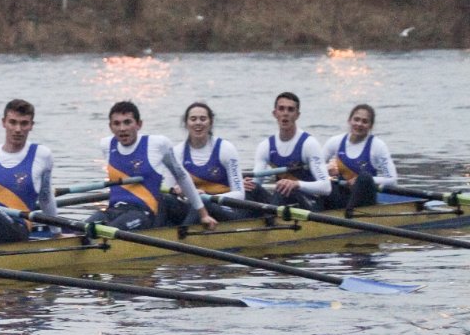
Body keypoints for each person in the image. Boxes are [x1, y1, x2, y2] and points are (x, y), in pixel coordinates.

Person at [87, 101, 217, 232]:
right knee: (78, 229)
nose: (122, 128)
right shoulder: (106, 145)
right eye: (117, 123)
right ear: (110, 127)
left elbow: (182, 177)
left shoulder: (157, 144)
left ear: (139, 124)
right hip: (113, 210)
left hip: (143, 214)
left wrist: (203, 214)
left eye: (127, 122)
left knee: (106, 232)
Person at [0, 98, 59, 244]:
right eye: (13, 122)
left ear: (31, 126)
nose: (18, 129)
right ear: (4, 123)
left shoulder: (42, 155)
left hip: (19, 228)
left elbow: (46, 198)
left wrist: (56, 233)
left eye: (24, 123)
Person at [243, 91, 330, 210]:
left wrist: (296, 184)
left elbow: (326, 187)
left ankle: (270, 221)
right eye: (281, 109)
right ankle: (246, 221)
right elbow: (257, 182)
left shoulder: (309, 144)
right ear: (275, 113)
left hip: (310, 202)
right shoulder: (265, 146)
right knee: (250, 188)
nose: (285, 113)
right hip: (281, 202)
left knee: (283, 188)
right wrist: (245, 184)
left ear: (297, 115)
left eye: (290, 110)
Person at [171, 101, 252, 221]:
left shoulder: (226, 149)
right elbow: (170, 189)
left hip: (225, 208)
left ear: (210, 123)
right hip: (194, 208)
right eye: (193, 119)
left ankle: (183, 234)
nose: (198, 123)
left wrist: (206, 197)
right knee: (165, 199)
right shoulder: (177, 152)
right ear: (186, 124)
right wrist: (180, 191)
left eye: (203, 119)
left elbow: (240, 194)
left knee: (201, 202)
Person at [322, 104, 398, 210]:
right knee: (326, 182)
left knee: (364, 178)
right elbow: (316, 168)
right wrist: (327, 169)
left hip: (364, 201)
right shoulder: (335, 142)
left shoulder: (377, 146)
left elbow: (392, 180)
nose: (359, 124)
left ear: (370, 126)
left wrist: (362, 181)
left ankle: (347, 215)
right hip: (341, 197)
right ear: (349, 121)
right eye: (356, 119)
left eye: (364, 121)